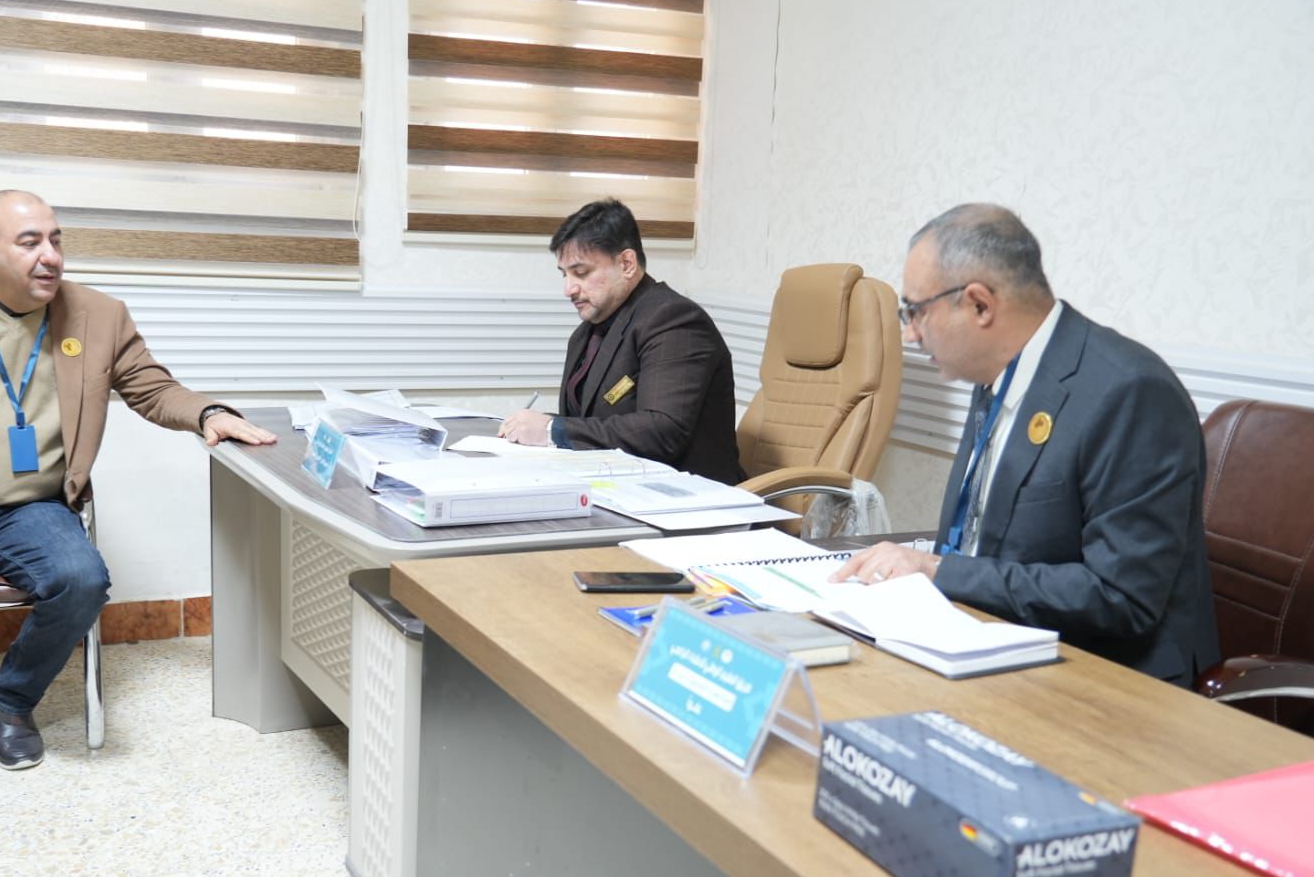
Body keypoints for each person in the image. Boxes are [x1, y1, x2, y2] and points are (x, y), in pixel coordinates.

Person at [0, 189, 278, 832]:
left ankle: (11, 701)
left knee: (82, 579)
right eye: (30, 241)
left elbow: (152, 387)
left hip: (29, 506)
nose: (51, 255)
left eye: (56, 239)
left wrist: (208, 412)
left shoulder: (98, 316)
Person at [833, 204, 1218, 685]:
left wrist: (940, 571)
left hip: (1108, 676)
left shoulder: (1130, 392)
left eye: (916, 312)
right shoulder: (993, 373)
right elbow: (981, 540)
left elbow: (1120, 596)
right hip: (986, 640)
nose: (909, 334)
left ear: (979, 305)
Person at [497, 199, 745, 484]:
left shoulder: (674, 320)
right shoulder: (586, 334)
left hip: (687, 493)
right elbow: (591, 422)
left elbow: (662, 430)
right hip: (617, 485)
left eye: (581, 272)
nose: (568, 289)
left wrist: (553, 429)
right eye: (565, 275)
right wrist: (538, 426)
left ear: (626, 264)